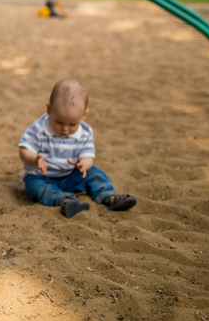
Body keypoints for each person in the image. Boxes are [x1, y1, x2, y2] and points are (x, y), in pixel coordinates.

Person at [18, 80, 138, 218]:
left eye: (72, 124)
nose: (65, 128)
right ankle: (67, 201)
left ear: (84, 115)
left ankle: (109, 197)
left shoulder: (85, 131)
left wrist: (84, 164)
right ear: (49, 110)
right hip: (42, 177)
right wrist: (35, 158)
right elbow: (23, 150)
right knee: (37, 189)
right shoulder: (39, 128)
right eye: (59, 122)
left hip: (71, 174)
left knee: (95, 175)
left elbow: (88, 156)